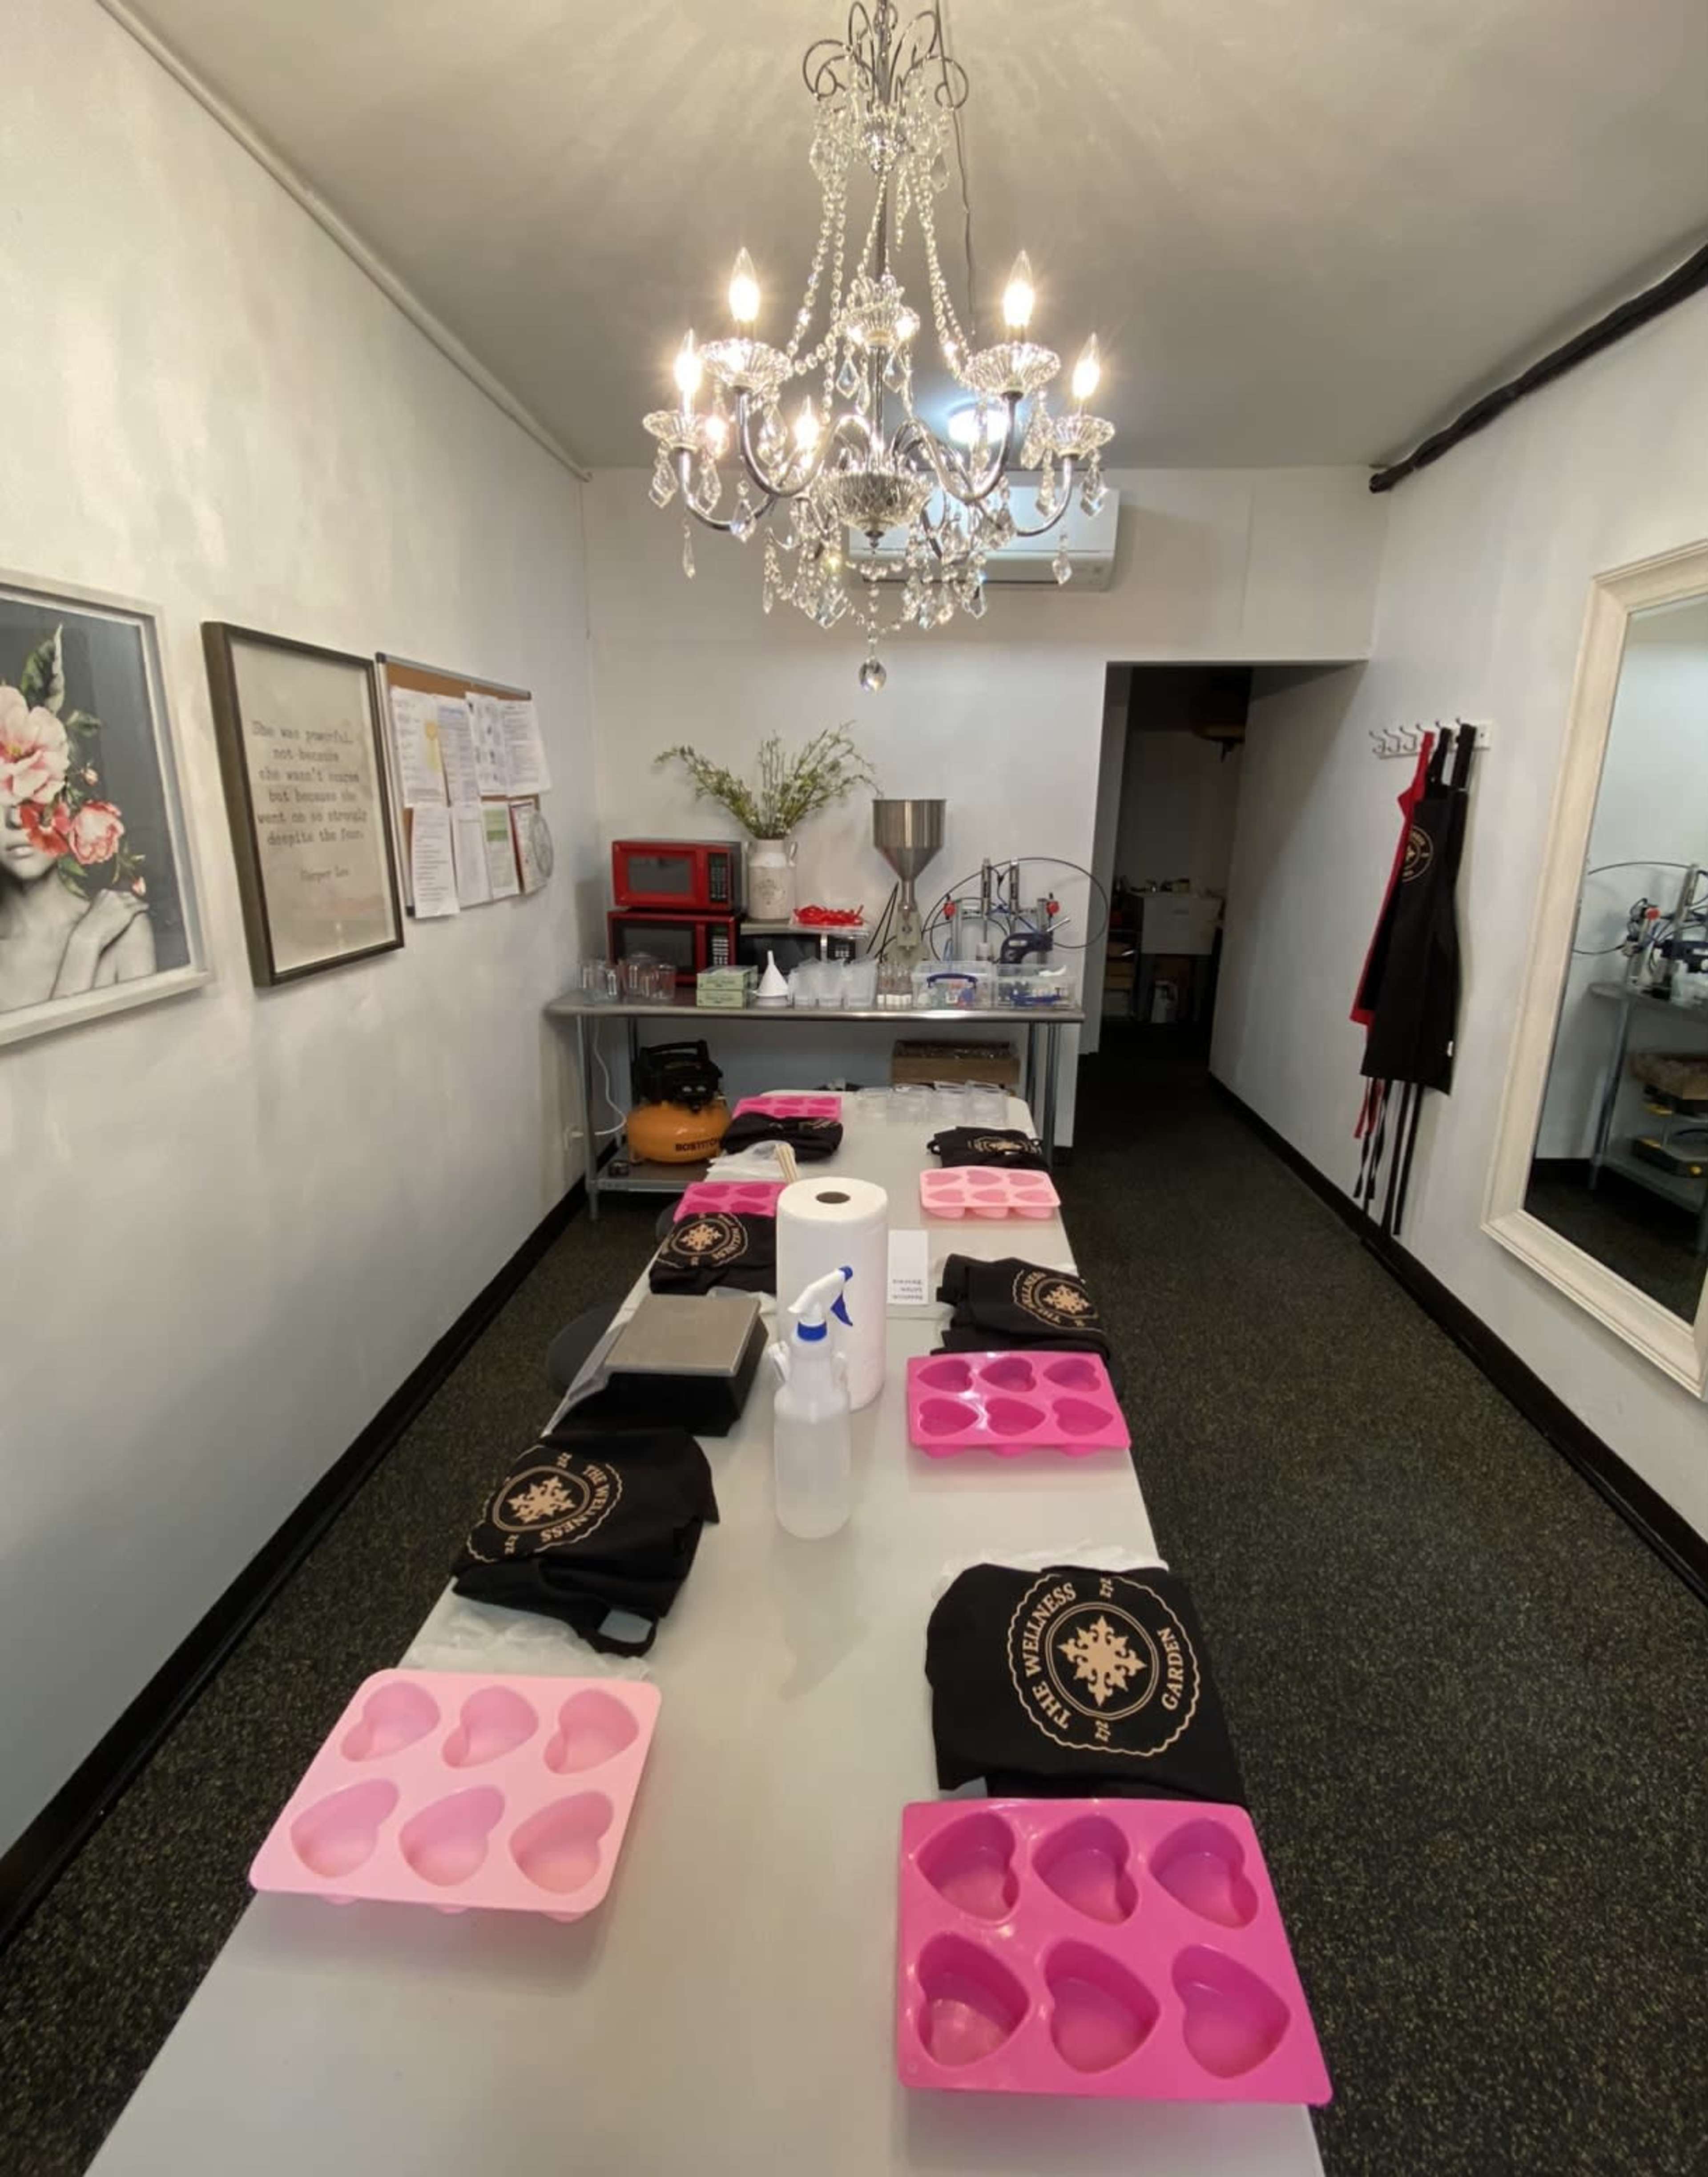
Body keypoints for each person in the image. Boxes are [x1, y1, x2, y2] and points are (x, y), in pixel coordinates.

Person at [0, 665, 153, 1010]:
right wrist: (83, 948)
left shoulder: (125, 930)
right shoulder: (100, 932)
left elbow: (147, 1059)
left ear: (73, 802)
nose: (14, 818)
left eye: (34, 788)